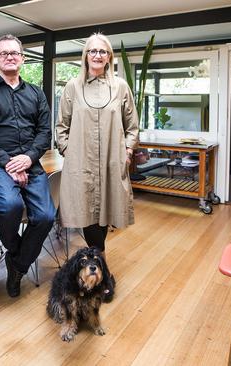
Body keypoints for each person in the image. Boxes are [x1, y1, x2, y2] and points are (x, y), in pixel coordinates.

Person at [0, 34, 55, 298]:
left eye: (14, 53)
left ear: (22, 58)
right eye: (3, 53)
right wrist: (9, 162)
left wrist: (28, 158)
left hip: (31, 162)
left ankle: (16, 264)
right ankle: (18, 253)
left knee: (46, 217)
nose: (9, 57)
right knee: (10, 205)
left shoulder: (36, 94)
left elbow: (44, 132)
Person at [56, 32, 139, 258]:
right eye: (92, 50)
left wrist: (128, 152)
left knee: (105, 209)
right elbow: (61, 125)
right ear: (85, 56)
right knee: (85, 210)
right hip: (81, 162)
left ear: (109, 57)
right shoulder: (72, 87)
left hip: (112, 161)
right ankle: (98, 259)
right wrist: (68, 151)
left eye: (102, 51)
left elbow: (132, 126)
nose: (97, 55)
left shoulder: (121, 87)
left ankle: (96, 259)